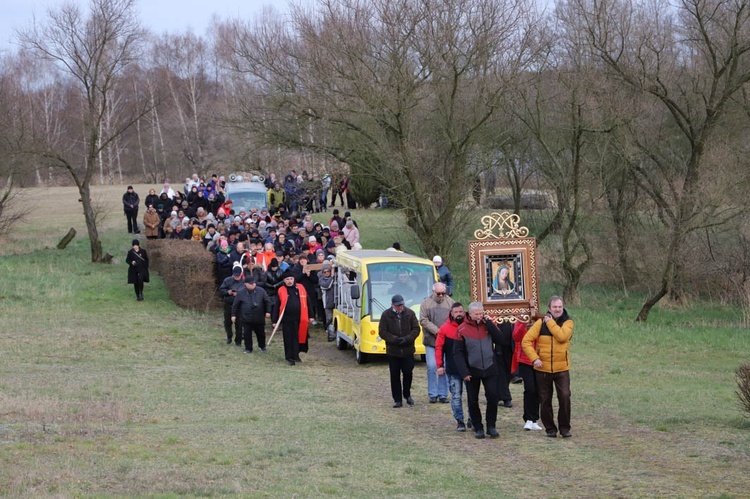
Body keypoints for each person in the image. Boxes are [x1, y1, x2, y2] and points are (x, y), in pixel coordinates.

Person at [521, 296, 574, 438]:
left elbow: (562, 336)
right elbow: (526, 341)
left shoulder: (568, 322)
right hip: (542, 369)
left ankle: (564, 428)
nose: (557, 309)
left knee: (564, 397)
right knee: (545, 400)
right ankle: (550, 428)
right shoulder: (539, 323)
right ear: (549, 308)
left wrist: (550, 322)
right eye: (554, 307)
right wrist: (535, 358)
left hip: (562, 368)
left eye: (560, 307)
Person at [453, 302, 505, 439]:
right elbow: (457, 353)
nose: (479, 316)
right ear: (469, 314)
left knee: (493, 397)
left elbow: (501, 340)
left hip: (490, 367)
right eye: (477, 313)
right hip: (472, 370)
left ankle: (491, 426)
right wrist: (464, 372)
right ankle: (478, 427)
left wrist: (489, 324)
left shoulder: (488, 325)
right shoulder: (462, 329)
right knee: (472, 400)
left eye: (481, 313)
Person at [378, 294, 421, 408]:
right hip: (393, 351)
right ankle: (397, 399)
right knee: (394, 375)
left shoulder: (410, 313)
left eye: (401, 305)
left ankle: (407, 394)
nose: (400, 307)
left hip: (408, 350)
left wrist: (407, 339)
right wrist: (395, 340)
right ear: (392, 305)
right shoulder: (386, 315)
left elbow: (416, 329)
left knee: (408, 373)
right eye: (398, 306)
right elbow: (382, 332)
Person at [435, 302, 469, 431]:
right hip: (453, 369)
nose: (459, 314)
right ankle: (460, 420)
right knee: (456, 396)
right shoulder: (444, 328)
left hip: (468, 368)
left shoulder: (469, 327)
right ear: (451, 313)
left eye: (461, 312)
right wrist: (439, 365)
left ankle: (472, 418)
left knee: (471, 396)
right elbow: (439, 348)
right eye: (456, 312)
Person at [419, 283, 453, 403]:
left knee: (443, 367)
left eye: (443, 293)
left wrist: (444, 332)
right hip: (431, 341)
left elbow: (454, 319)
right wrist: (437, 331)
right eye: (438, 293)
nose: (441, 295)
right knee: (432, 366)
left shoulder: (450, 303)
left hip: (446, 341)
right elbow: (423, 320)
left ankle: (443, 394)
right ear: (433, 292)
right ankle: (432, 393)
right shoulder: (425, 303)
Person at [513, 319, 543, 431]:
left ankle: (534, 419)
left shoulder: (540, 321)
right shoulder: (520, 321)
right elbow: (516, 337)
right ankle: (528, 419)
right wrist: (523, 323)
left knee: (538, 389)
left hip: (540, 360)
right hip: (525, 361)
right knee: (530, 388)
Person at [276, 271, 310, 366]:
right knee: (289, 338)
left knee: (298, 337)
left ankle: (296, 355)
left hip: (300, 318)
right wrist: (275, 320)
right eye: (287, 279)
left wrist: (311, 315)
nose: (289, 281)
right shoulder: (281, 290)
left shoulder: (300, 288)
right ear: (284, 280)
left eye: (291, 279)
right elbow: (277, 305)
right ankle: (289, 357)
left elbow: (308, 302)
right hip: (287, 319)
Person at [232, 274, 272, 353]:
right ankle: (248, 348)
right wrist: (233, 315)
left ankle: (262, 346)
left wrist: (268, 311)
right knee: (247, 334)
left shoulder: (261, 291)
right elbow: (235, 305)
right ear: (245, 284)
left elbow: (267, 301)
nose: (253, 284)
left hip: (259, 316)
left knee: (261, 333)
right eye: (250, 283)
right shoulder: (241, 292)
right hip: (246, 317)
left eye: (254, 283)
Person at [219, 266, 245, 345]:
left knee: (239, 323)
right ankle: (229, 336)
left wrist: (239, 294)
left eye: (238, 276)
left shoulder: (244, 282)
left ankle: (238, 340)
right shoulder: (227, 280)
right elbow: (221, 290)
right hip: (229, 303)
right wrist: (229, 292)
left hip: (239, 305)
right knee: (227, 322)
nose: (236, 277)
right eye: (235, 275)